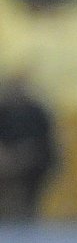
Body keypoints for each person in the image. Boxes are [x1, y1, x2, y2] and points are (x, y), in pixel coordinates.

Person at [0, 74, 58, 220]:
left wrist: (25, 155)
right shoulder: (4, 110)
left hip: (34, 162)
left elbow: (45, 142)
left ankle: (26, 213)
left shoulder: (37, 112)